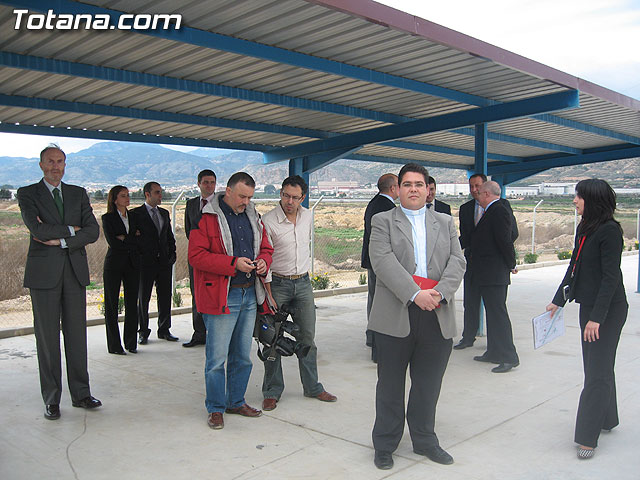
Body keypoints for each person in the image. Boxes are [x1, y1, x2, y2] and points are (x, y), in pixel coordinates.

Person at [368, 163, 465, 470]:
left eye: (419, 184)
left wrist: (439, 293)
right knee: (390, 386)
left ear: (428, 189)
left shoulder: (445, 222)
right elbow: (381, 260)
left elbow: (458, 261)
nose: (413, 189)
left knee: (428, 384)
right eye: (407, 184)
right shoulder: (383, 220)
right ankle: (385, 444)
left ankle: (425, 440)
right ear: (398, 189)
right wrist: (415, 293)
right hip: (397, 313)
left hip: (436, 313)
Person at [17, 144, 101, 420]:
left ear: (66, 165)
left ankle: (81, 394)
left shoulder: (78, 193)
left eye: (60, 161)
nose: (56, 166)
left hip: (74, 272)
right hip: (43, 276)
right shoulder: (28, 193)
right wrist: (72, 229)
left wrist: (62, 240)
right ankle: (52, 399)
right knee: (47, 338)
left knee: (77, 336)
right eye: (50, 162)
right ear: (41, 165)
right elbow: (37, 229)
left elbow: (93, 230)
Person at [546, 179, 627, 460]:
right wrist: (558, 299)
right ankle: (607, 419)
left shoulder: (610, 232)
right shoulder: (585, 228)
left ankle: (587, 436)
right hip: (589, 307)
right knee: (598, 366)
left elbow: (610, 278)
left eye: (578, 197)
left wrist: (597, 318)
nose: (574, 201)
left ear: (592, 200)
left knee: (597, 372)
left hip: (607, 311)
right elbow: (574, 265)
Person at [188, 172, 273, 430]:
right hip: (222, 295)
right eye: (242, 196)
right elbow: (196, 256)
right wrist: (232, 263)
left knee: (242, 355)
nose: (246, 202)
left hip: (249, 293)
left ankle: (236, 401)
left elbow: (267, 249)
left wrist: (263, 262)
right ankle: (215, 407)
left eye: (250, 197)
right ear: (228, 190)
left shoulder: (253, 218)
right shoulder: (207, 219)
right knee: (217, 358)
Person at [260, 175, 337, 412]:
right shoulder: (268, 221)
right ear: (280, 194)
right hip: (278, 284)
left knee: (307, 338)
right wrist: (269, 292)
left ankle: (312, 386)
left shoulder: (308, 216)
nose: (289, 201)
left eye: (295, 197)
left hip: (303, 284)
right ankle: (272, 391)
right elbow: (265, 255)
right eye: (285, 195)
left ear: (303, 198)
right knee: (271, 340)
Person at [455, 173, 518, 350]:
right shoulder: (467, 208)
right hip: (475, 265)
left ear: (486, 190)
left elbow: (508, 237)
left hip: (493, 268)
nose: (475, 191)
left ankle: (504, 352)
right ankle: (476, 341)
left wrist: (509, 262)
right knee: (472, 303)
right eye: (471, 187)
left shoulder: (500, 207)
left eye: (478, 187)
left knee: (496, 311)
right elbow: (468, 237)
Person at [469, 181, 519, 373]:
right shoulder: (492, 210)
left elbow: (505, 240)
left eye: (480, 192)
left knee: (498, 315)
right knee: (492, 313)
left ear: (487, 194)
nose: (477, 195)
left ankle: (509, 356)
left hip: (495, 273)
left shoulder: (498, 210)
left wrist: (511, 264)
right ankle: (494, 351)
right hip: (487, 273)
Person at [131, 182, 178, 344]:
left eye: (161, 192)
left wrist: (172, 255)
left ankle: (164, 329)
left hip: (164, 262)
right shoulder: (136, 214)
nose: (160, 195)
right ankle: (143, 331)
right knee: (143, 297)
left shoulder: (164, 213)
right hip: (145, 264)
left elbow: (169, 237)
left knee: (165, 296)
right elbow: (133, 240)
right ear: (147, 194)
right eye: (157, 192)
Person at [360, 173, 399, 362]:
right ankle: (377, 341)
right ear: (393, 188)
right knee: (380, 302)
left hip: (374, 261)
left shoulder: (374, 203)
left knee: (374, 299)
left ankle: (372, 337)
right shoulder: (386, 208)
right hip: (381, 263)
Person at [101, 186, 141, 354]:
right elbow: (114, 242)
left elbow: (140, 239)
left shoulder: (134, 216)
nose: (127, 199)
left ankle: (131, 343)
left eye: (128, 195)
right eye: (123, 196)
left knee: (132, 304)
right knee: (112, 305)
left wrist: (126, 238)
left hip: (132, 264)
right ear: (115, 199)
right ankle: (115, 346)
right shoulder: (108, 218)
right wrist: (130, 239)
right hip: (114, 265)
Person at [183, 169, 217, 348]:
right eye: (206, 182)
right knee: (197, 294)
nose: (209, 185)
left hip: (217, 258)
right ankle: (199, 333)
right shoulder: (191, 205)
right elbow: (189, 231)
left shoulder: (221, 204)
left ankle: (216, 333)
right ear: (199, 184)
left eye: (212, 182)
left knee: (216, 295)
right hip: (197, 258)